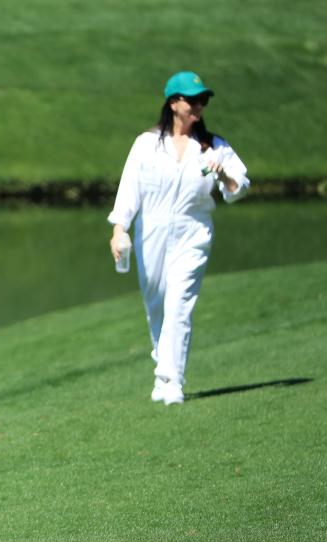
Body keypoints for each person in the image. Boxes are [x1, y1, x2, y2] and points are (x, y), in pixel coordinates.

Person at [107, 71, 249, 405]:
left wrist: (223, 172)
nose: (200, 105)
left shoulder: (214, 146)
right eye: (193, 99)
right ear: (174, 103)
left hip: (193, 232)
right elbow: (130, 190)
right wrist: (118, 229)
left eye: (203, 100)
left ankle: (172, 382)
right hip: (150, 233)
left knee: (179, 305)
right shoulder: (146, 144)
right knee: (156, 304)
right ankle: (163, 366)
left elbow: (239, 188)